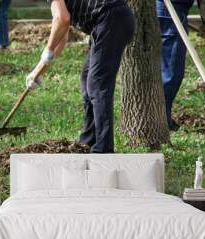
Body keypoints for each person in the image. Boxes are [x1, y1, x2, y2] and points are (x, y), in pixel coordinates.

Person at [26, 0, 135, 153]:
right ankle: (88, 142)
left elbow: (62, 19)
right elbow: (61, 36)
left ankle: (103, 149)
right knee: (87, 82)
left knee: (97, 86)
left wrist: (48, 50)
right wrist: (39, 71)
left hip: (111, 19)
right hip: (109, 21)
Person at [157, 0, 205, 131]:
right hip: (171, 13)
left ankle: (160, 116)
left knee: (157, 66)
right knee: (171, 72)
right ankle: (161, 120)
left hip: (154, 11)